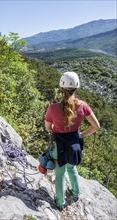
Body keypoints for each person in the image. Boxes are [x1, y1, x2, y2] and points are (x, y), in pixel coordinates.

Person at [45, 71, 100, 211]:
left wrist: (56, 128)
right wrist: (81, 134)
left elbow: (48, 128)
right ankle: (76, 193)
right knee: (72, 168)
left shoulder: (53, 108)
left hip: (59, 145)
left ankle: (60, 202)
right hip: (75, 144)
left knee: (60, 173)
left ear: (61, 88)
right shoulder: (83, 106)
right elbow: (96, 126)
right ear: (76, 88)